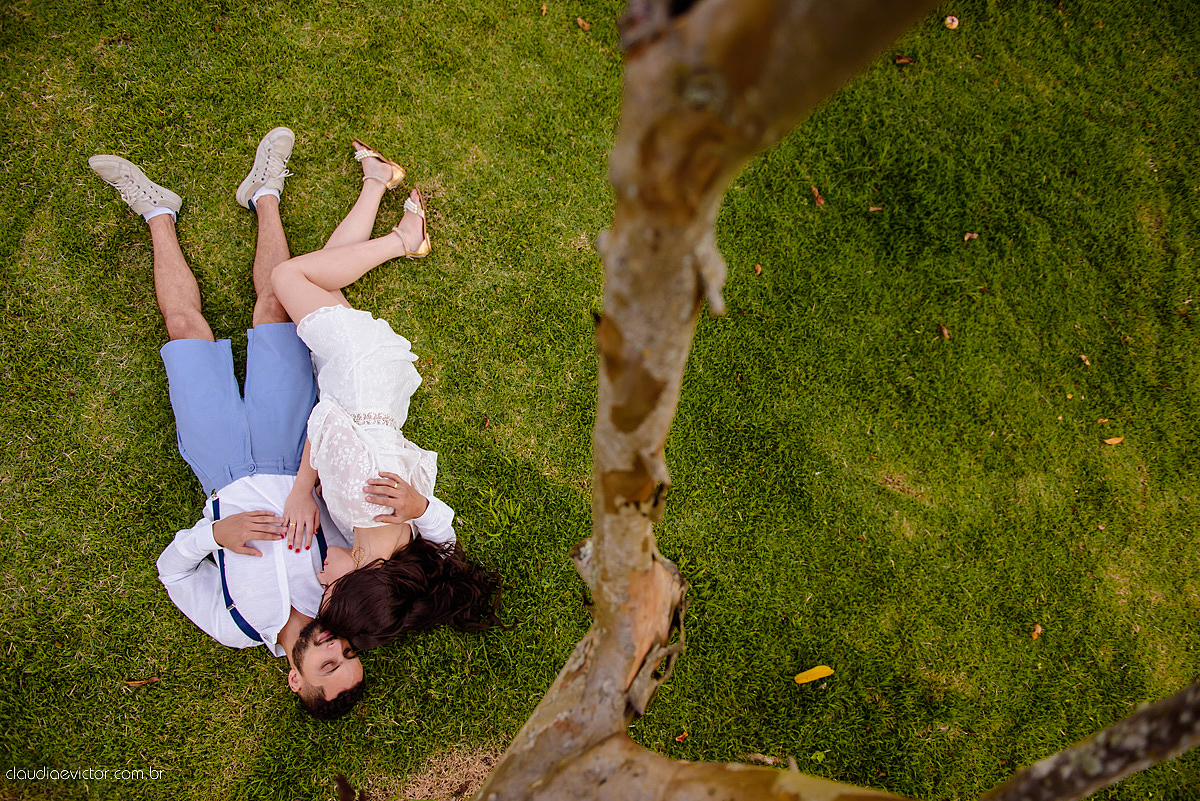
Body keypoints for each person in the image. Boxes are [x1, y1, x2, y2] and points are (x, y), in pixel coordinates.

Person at [88, 127, 364, 719]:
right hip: (289, 448)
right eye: (350, 652)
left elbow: (171, 570)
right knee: (274, 310)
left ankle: (156, 209)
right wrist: (314, 500)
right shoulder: (337, 589)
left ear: (297, 683)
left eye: (329, 665)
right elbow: (351, 515)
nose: (336, 646)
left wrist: (216, 536)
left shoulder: (233, 626)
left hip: (218, 465)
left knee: (186, 329)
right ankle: (265, 193)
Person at [269, 140, 500, 652]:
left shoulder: (408, 541)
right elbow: (323, 419)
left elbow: (445, 533)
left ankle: (378, 177)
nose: (320, 581)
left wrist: (421, 505)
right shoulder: (357, 504)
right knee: (287, 276)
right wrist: (302, 490)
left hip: (377, 388)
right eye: (328, 591)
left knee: (326, 268)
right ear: (360, 576)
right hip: (357, 369)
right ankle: (403, 238)